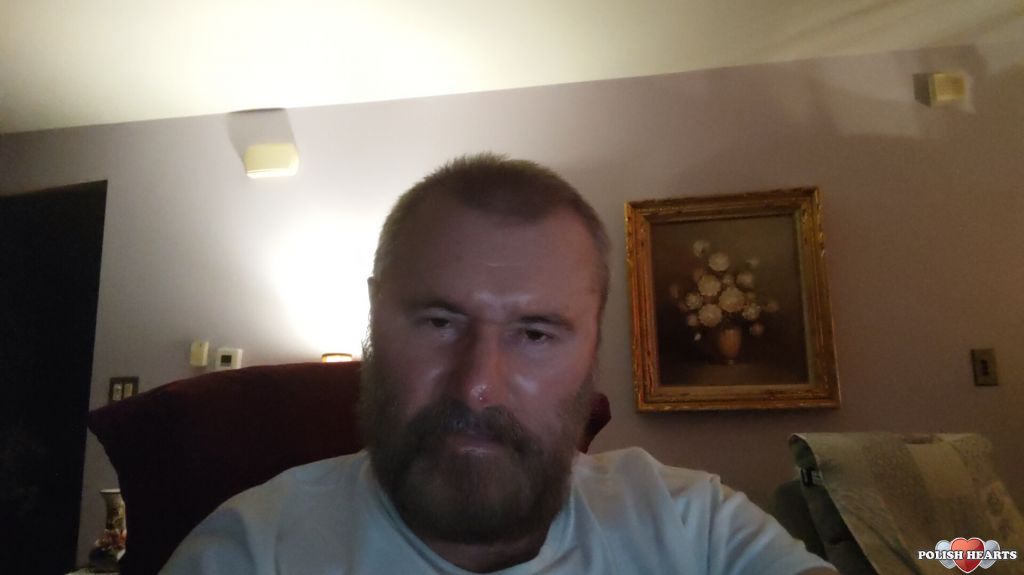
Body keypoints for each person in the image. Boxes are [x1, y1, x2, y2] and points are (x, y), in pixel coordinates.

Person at [161, 154, 835, 574]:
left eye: (535, 333)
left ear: (592, 349)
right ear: (372, 322)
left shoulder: (696, 529)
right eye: (439, 322)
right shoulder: (249, 552)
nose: (478, 385)